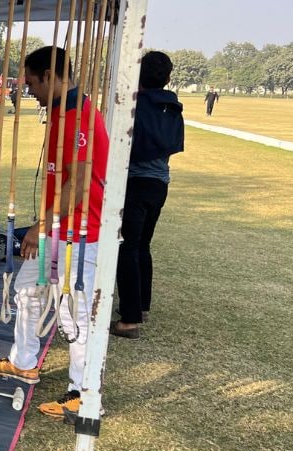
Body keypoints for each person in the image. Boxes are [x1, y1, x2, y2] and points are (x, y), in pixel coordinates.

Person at [0, 46, 109, 420]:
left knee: (75, 315)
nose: (30, 91)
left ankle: (83, 393)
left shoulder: (79, 116)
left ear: (50, 77)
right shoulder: (62, 112)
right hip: (59, 229)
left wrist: (41, 225)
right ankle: (24, 361)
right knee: (27, 292)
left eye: (33, 83)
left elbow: (79, 181)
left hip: (76, 232)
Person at [111, 51, 184, 340]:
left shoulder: (134, 106)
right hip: (159, 183)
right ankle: (140, 306)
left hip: (134, 183)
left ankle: (129, 320)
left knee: (126, 247)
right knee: (143, 245)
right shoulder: (173, 107)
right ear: (167, 78)